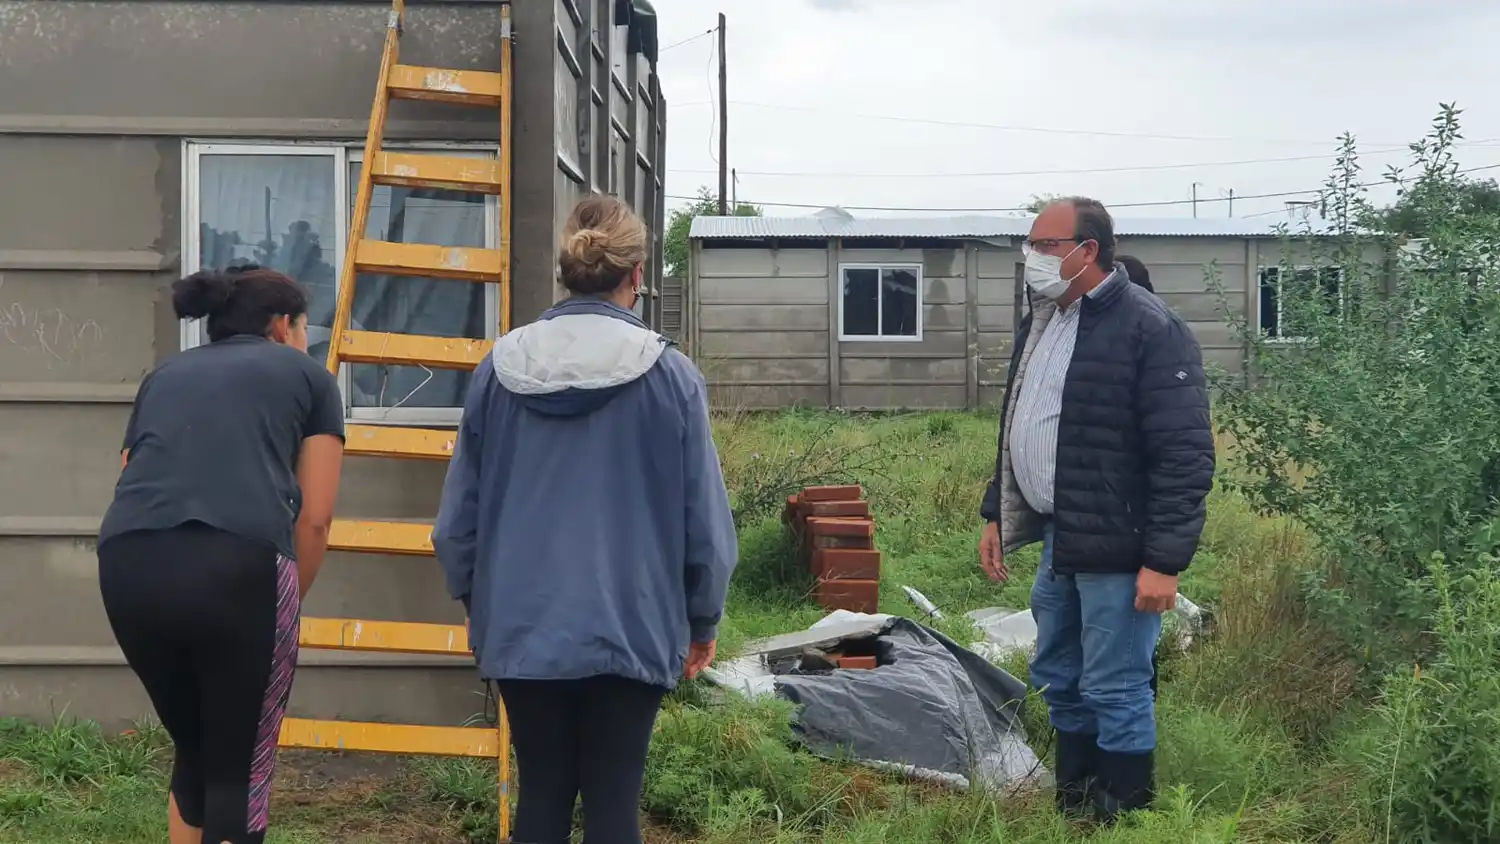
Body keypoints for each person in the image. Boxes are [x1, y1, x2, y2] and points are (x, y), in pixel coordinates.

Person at [433, 195, 738, 844]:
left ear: (568, 269)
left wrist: (477, 600)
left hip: (521, 624)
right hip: (633, 623)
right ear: (636, 276)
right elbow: (705, 522)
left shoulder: (498, 370)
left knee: (541, 795)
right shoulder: (672, 377)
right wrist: (702, 619)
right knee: (612, 804)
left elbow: (456, 522)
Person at [977, 198, 1214, 820]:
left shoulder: (1149, 327)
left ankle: (1125, 812)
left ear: (1088, 250)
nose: (1032, 257)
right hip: (1062, 535)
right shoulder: (1044, 320)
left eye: (1046, 245)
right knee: (1058, 669)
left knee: (1115, 680)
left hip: (1120, 541)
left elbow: (1185, 455)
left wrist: (1164, 562)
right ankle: (1076, 804)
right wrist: (995, 513)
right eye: (1030, 244)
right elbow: (1019, 424)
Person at [97, 265, 346, 844]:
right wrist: (284, 605)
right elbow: (315, 519)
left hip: (128, 563)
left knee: (198, 748)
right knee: (240, 767)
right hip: (240, 567)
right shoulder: (307, 376)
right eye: (306, 325)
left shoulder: (164, 376)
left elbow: (131, 475)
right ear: (283, 325)